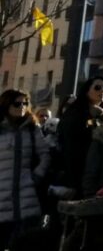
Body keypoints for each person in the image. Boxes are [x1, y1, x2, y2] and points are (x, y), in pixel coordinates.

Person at [0, 89, 49, 246]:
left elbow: (45, 155)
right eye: (17, 103)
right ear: (6, 104)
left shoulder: (32, 128)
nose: (22, 106)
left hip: (27, 192)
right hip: (2, 194)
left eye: (25, 103)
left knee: (24, 242)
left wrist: (37, 176)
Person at [55, 76, 103, 196]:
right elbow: (70, 149)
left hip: (98, 175)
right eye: (98, 87)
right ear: (86, 91)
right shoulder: (75, 114)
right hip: (77, 174)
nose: (102, 91)